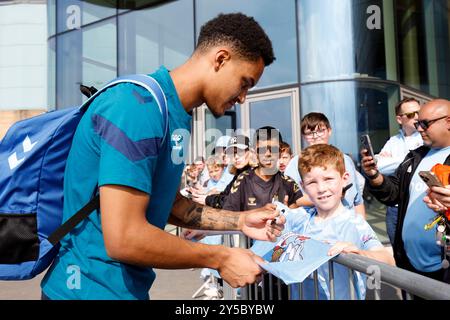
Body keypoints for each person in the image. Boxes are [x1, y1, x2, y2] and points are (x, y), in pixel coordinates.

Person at [41, 13, 283, 300]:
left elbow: (168, 205)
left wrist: (240, 221)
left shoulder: (175, 114)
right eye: (245, 83)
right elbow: (124, 238)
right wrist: (220, 258)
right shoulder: (136, 108)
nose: (243, 97)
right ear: (220, 59)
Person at [281, 144, 394, 300]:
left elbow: (387, 259)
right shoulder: (300, 218)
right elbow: (271, 225)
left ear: (344, 179)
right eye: (312, 182)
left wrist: (359, 254)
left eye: (328, 179)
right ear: (303, 187)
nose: (321, 188)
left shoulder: (354, 223)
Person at [361, 99, 450, 288]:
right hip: (411, 264)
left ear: (448, 122)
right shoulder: (415, 156)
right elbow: (393, 193)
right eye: (417, 123)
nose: (419, 128)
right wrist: (374, 176)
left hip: (444, 268)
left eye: (425, 123)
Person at [284, 112, 366, 218]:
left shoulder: (346, 160)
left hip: (348, 221)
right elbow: (291, 200)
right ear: (304, 136)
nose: (316, 136)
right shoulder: (296, 163)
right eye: (309, 133)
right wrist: (332, 196)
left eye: (321, 131)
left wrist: (362, 227)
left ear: (329, 131)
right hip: (315, 225)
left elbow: (357, 200)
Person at [376, 98, 423, 245]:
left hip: (419, 204)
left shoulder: (426, 137)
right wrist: (410, 158)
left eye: (418, 112)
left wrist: (393, 159)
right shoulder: (393, 141)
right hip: (395, 208)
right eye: (410, 114)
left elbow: (420, 163)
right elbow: (379, 167)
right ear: (399, 119)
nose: (416, 116)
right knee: (397, 249)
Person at [223, 127, 305, 212]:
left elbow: (297, 221)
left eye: (273, 149)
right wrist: (258, 213)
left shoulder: (289, 183)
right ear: (255, 152)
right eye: (262, 149)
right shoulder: (243, 180)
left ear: (281, 151)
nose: (267, 154)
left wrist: (287, 214)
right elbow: (228, 217)